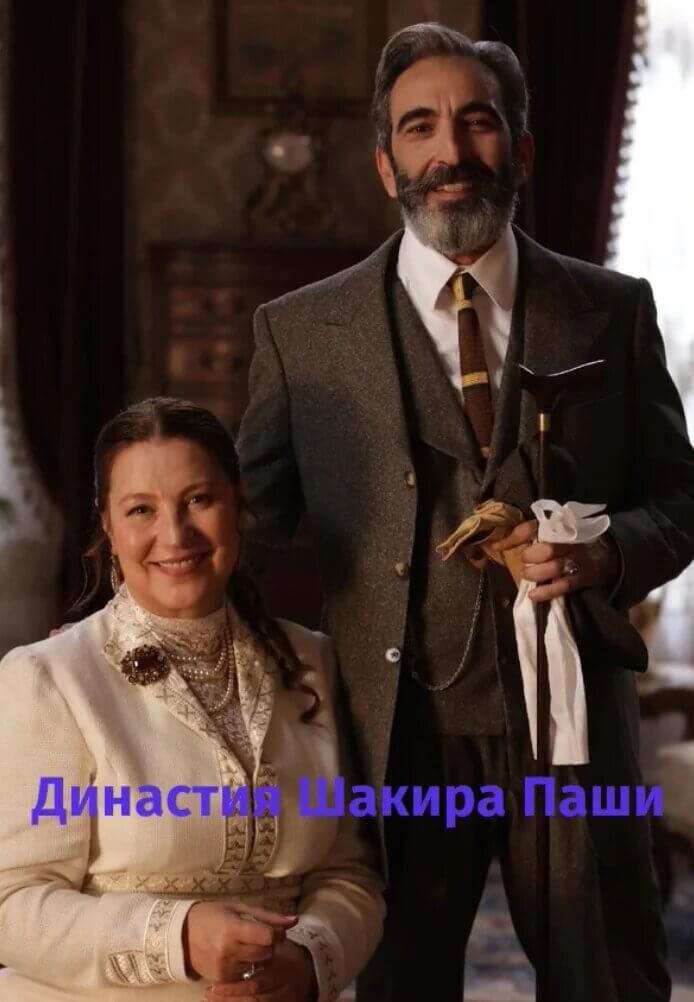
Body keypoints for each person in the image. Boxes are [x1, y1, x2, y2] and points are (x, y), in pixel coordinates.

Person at [237, 21, 694, 1002]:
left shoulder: (612, 308)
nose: (450, 151)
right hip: (395, 738)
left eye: (477, 122)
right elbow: (248, 530)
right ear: (385, 164)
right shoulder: (300, 332)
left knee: (610, 983)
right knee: (397, 984)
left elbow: (681, 500)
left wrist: (607, 553)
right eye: (419, 127)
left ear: (520, 149)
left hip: (574, 738)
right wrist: (123, 629)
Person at [0, 397, 384, 1002]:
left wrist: (308, 958)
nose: (175, 535)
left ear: (239, 504)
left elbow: (349, 873)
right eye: (141, 510)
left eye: (199, 500)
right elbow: (14, 906)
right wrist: (176, 936)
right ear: (108, 527)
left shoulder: (313, 663)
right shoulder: (49, 678)